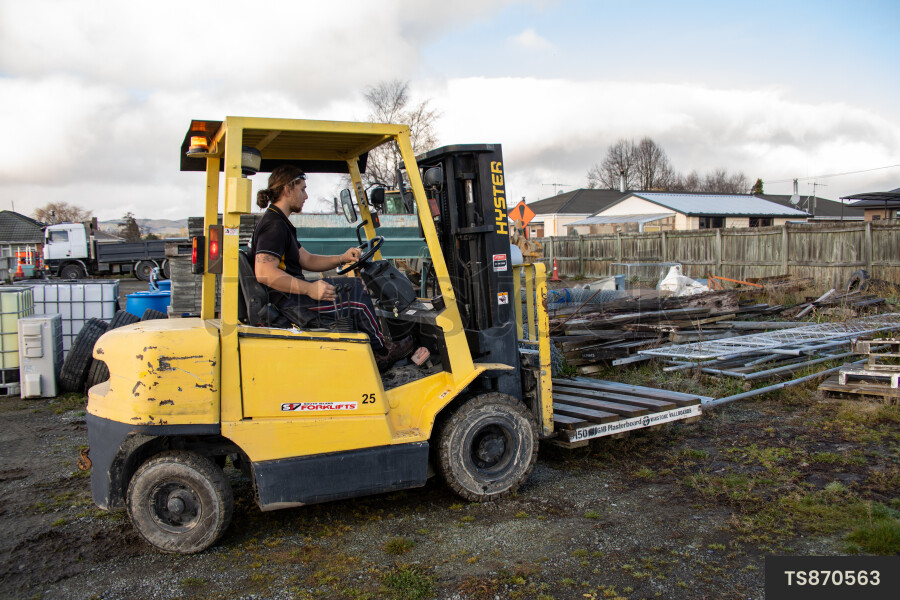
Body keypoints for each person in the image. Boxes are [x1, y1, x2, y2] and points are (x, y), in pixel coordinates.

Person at [249, 165, 414, 371]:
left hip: (289, 296)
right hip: (290, 302)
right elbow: (264, 273)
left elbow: (307, 259)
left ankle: (371, 348)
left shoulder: (280, 223)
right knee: (357, 294)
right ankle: (381, 353)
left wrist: (341, 258)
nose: (306, 195)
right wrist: (310, 289)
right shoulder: (274, 225)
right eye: (302, 189)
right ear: (287, 189)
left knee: (353, 287)